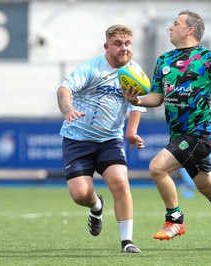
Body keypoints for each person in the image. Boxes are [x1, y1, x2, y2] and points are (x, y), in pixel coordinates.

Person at [123, 10, 211, 255]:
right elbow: (157, 98)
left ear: (190, 30)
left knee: (156, 167)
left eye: (176, 23)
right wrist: (137, 99)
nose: (170, 27)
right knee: (207, 187)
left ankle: (175, 220)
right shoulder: (164, 60)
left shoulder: (207, 57)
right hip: (179, 135)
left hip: (199, 134)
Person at [56, 24, 145, 253]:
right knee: (80, 195)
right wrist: (68, 111)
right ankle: (96, 206)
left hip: (110, 139)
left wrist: (131, 132)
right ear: (107, 47)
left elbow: (138, 106)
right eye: (118, 44)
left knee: (121, 183)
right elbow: (64, 89)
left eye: (127, 44)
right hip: (77, 139)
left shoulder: (134, 72)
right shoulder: (92, 68)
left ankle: (127, 241)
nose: (124, 48)